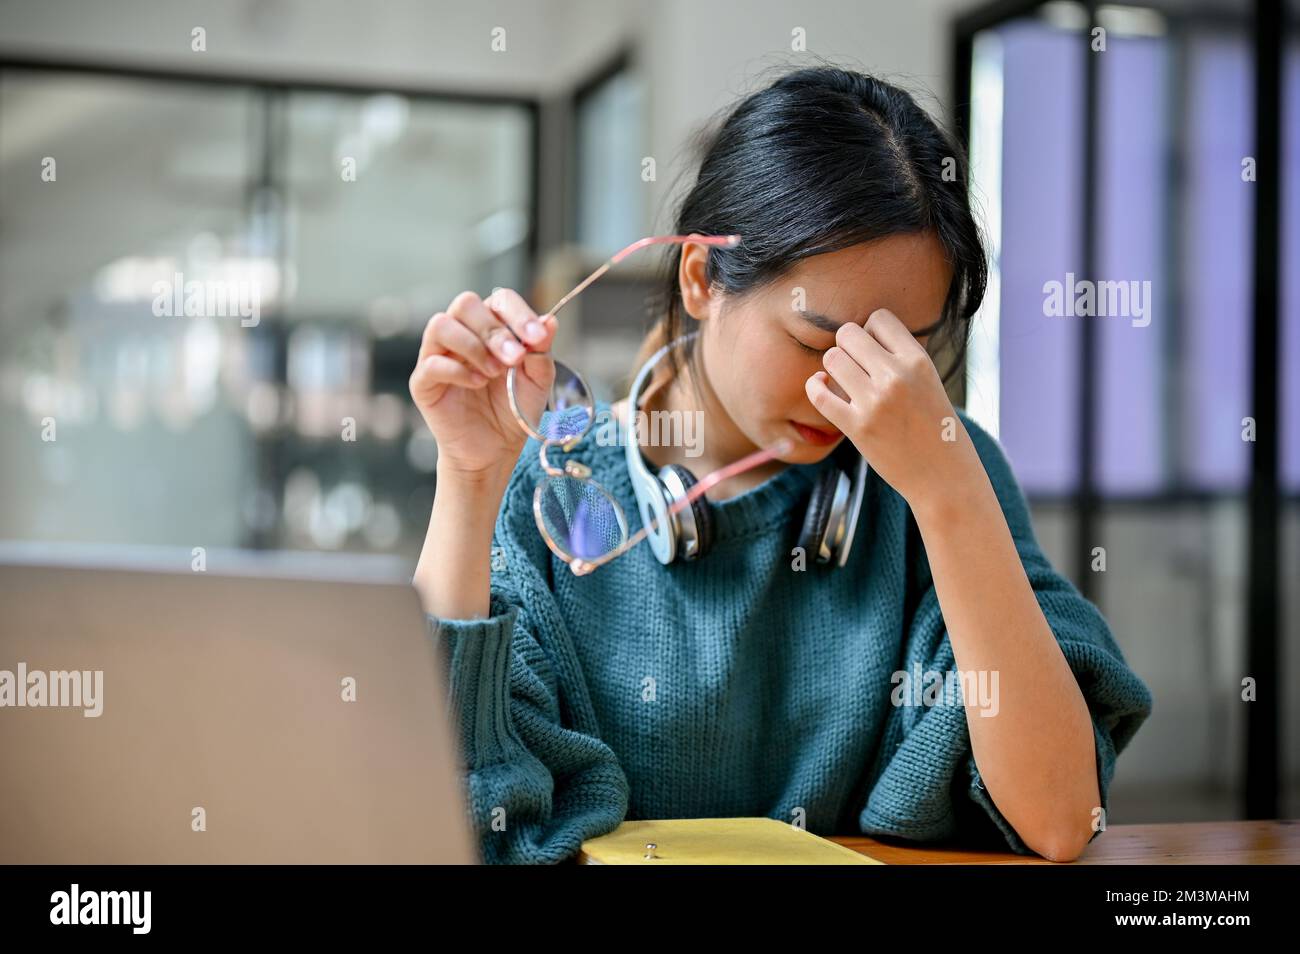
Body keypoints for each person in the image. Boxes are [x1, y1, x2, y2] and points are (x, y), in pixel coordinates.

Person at [409, 66, 1153, 864]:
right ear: (700, 278)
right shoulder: (549, 481)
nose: (852, 393)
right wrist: (470, 482)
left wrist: (949, 496)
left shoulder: (939, 479)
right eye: (815, 341)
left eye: (903, 353)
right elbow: (436, 811)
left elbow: (1059, 818)